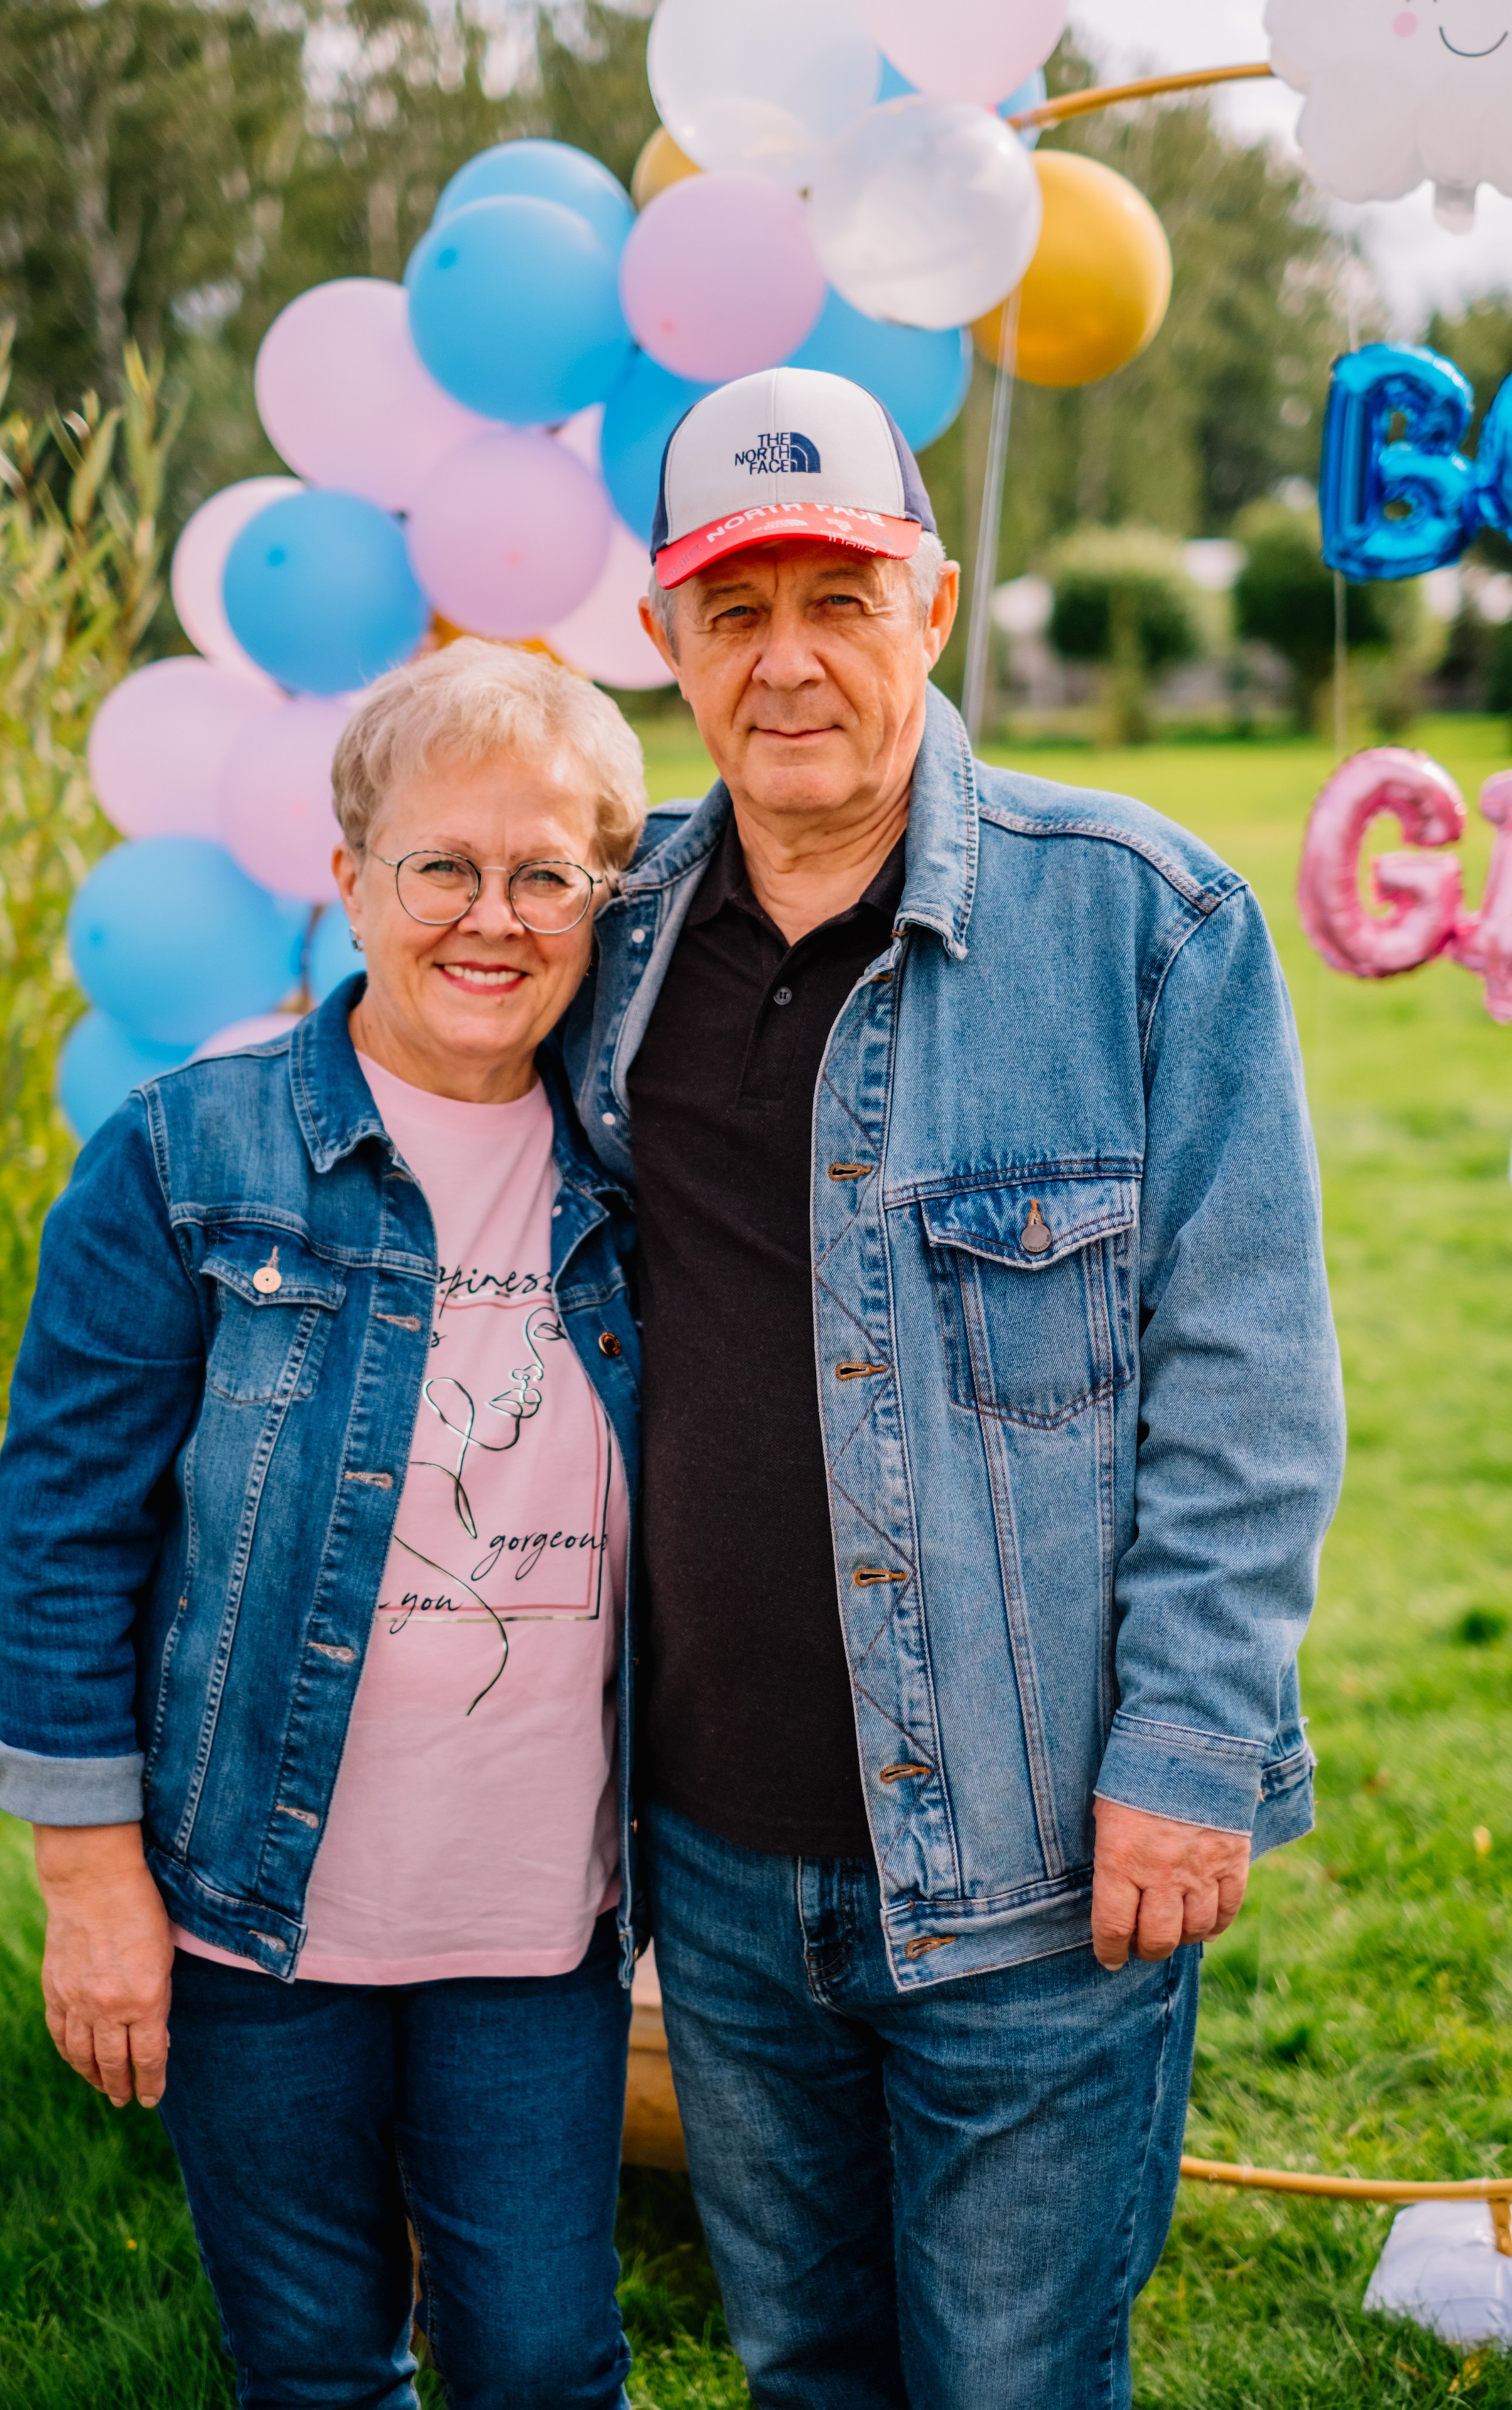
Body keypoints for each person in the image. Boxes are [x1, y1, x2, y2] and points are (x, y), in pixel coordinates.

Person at [564, 366, 1346, 2409]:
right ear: (664, 642)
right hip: (716, 1868)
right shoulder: (609, 938)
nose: (791, 662)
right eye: (737, 612)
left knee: (1011, 2378)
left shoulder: (1144, 925)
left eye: (844, 597)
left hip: (1040, 1865)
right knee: (808, 2364)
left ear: (937, 601)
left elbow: (1250, 1387)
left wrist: (1189, 1748)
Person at [0, 641, 648, 2410]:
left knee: (547, 2361)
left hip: (539, 1922)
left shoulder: (646, 1177)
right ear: (349, 877)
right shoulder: (190, 1161)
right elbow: (62, 1537)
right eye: (442, 867)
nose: (491, 920)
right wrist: (90, 1881)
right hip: (247, 1915)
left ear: (603, 900)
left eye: (546, 874)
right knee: (317, 2371)